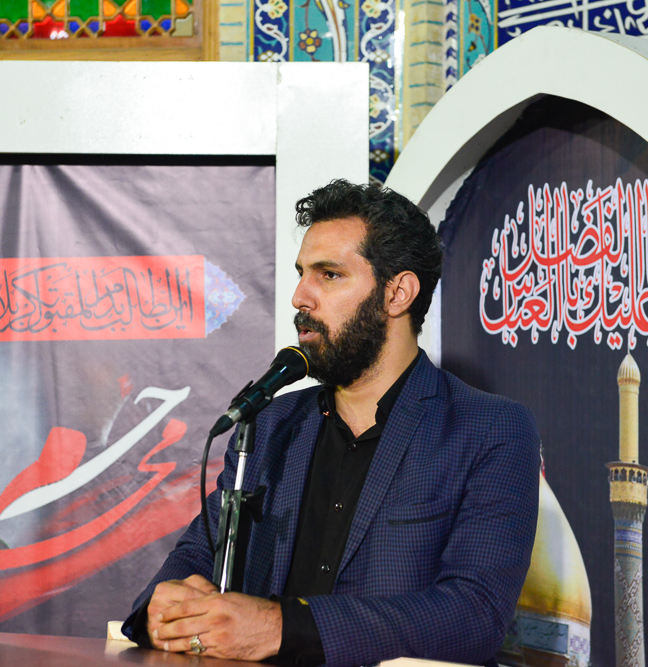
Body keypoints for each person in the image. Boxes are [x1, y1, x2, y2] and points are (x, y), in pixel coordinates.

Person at [122, 180, 540, 667]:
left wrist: (282, 628)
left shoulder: (489, 429)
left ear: (397, 293)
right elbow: (195, 558)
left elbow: (473, 617)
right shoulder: (269, 424)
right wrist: (161, 610)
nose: (300, 296)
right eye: (302, 274)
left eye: (330, 275)